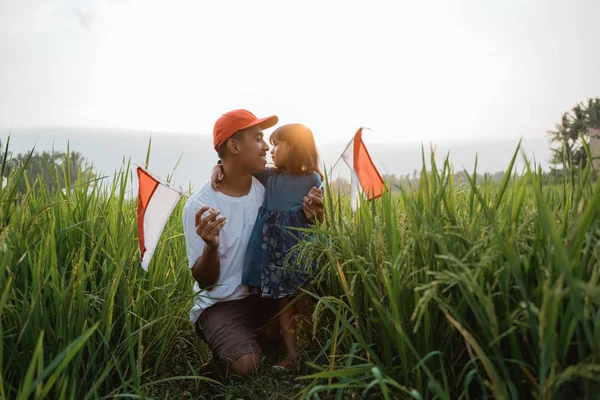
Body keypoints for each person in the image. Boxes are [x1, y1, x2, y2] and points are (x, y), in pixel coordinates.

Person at [182, 110, 323, 381]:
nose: (266, 147)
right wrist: (211, 247)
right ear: (234, 147)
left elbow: (298, 187)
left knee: (303, 308)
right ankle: (212, 371)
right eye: (258, 139)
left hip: (262, 294)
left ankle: (264, 337)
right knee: (248, 364)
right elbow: (204, 281)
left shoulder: (264, 188)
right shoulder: (199, 206)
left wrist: (317, 215)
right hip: (220, 304)